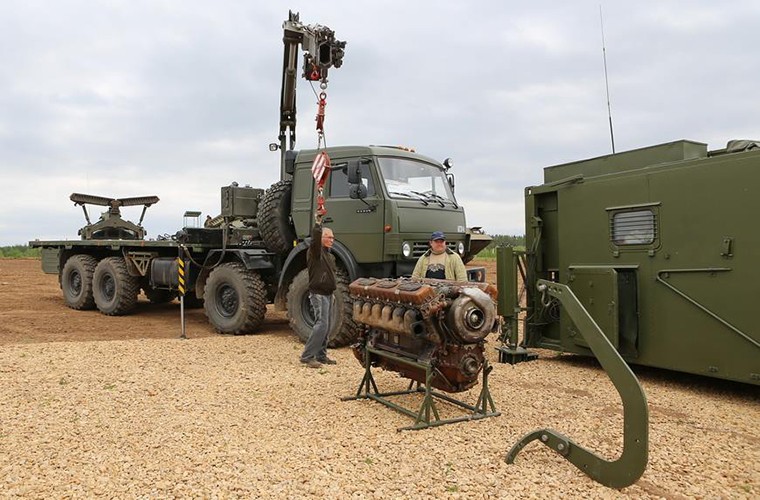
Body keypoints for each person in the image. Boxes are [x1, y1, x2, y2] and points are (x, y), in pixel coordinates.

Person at [299, 222, 338, 368]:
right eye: (329, 237)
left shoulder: (329, 256)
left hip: (328, 294)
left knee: (326, 327)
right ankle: (307, 356)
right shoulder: (315, 253)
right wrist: (317, 223)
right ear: (321, 238)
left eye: (333, 238)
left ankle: (321, 356)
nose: (332, 240)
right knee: (321, 325)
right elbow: (315, 239)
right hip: (318, 294)